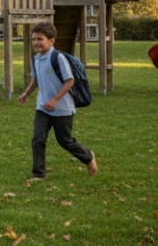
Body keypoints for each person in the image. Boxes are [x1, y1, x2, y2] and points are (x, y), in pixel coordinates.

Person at [17, 22, 98, 180]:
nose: (35, 42)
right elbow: (36, 79)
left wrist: (54, 100)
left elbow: (69, 81)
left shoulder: (58, 58)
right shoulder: (36, 59)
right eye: (33, 39)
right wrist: (26, 93)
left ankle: (88, 157)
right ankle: (38, 174)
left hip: (62, 108)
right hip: (42, 108)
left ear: (51, 41)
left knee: (65, 141)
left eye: (40, 39)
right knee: (37, 139)